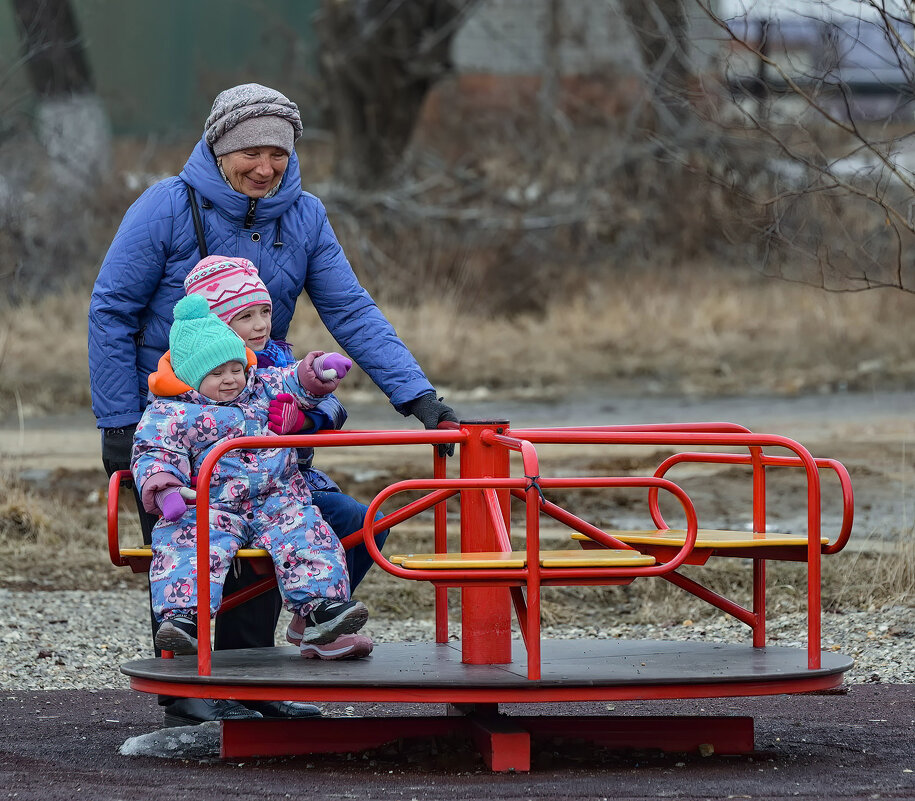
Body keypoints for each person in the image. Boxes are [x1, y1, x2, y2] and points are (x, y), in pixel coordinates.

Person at [88, 82, 457, 725]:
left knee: (354, 524)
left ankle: (265, 669)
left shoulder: (303, 215)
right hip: (180, 421)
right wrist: (119, 422)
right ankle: (189, 696)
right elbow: (112, 311)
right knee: (196, 546)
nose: (265, 167)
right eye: (250, 153)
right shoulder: (167, 207)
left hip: (262, 415)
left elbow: (350, 309)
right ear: (219, 148)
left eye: (279, 154)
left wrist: (420, 397)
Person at [134, 294, 374, 672]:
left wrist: (320, 369)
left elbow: (295, 379)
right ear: (191, 376)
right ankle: (183, 618)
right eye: (216, 374)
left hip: (275, 497)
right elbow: (152, 451)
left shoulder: (260, 386)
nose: (230, 380)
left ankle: (322, 607)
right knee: (184, 538)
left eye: (235, 368)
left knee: (308, 530)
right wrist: (165, 489)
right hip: (211, 504)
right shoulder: (172, 412)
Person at [182, 254, 389, 612]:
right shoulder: (200, 372)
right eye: (245, 316)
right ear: (215, 325)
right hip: (228, 495)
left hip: (291, 485)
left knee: (367, 522)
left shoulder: (278, 359)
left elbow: (333, 405)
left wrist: (305, 423)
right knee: (248, 599)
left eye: (264, 311)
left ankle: (319, 617)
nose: (261, 325)